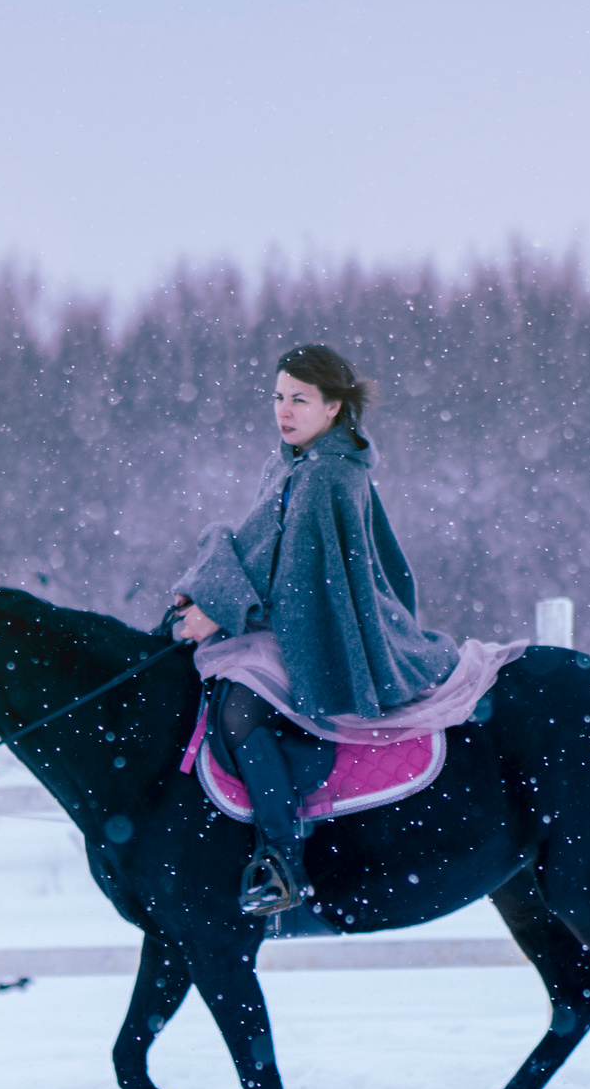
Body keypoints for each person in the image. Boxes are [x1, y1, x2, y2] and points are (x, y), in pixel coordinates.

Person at [172, 343, 461, 915]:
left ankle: (282, 859)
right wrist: (205, 592)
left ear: (333, 407)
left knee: (238, 711)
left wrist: (218, 611)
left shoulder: (328, 474)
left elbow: (299, 586)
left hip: (318, 629)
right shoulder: (288, 462)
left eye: (300, 400)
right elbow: (259, 548)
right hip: (282, 619)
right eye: (279, 396)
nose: (284, 410)